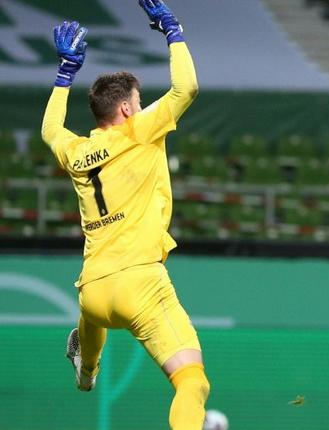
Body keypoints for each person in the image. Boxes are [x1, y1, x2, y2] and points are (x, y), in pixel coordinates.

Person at [42, 1, 209, 428]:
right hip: (141, 286)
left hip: (93, 292)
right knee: (192, 384)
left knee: (93, 312)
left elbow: (50, 132)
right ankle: (87, 360)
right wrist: (172, 28)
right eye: (138, 100)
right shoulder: (139, 130)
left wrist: (65, 73)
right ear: (128, 110)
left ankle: (87, 369)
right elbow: (186, 88)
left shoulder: (77, 152)